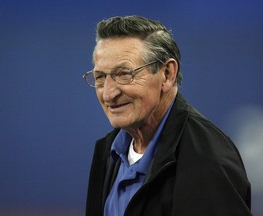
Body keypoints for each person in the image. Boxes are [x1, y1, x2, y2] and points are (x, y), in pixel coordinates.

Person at [83, 15, 252, 216]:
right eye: (101, 77)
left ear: (167, 74)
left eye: (124, 74)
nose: (109, 93)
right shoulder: (108, 151)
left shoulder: (208, 159)